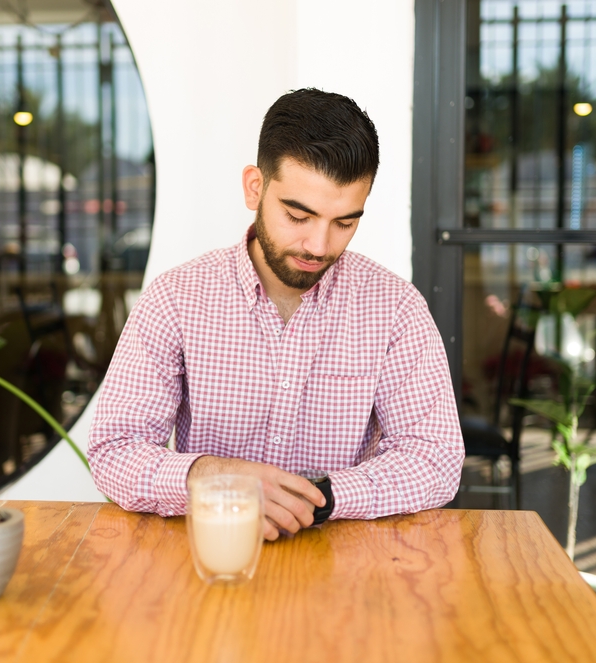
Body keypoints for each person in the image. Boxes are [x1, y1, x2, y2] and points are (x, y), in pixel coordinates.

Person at [88, 88, 464, 540]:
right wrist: (214, 478)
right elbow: (114, 450)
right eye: (298, 216)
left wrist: (316, 498)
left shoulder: (395, 308)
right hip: (213, 556)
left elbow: (434, 459)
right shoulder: (176, 298)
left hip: (344, 562)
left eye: (344, 222)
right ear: (255, 187)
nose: (319, 246)